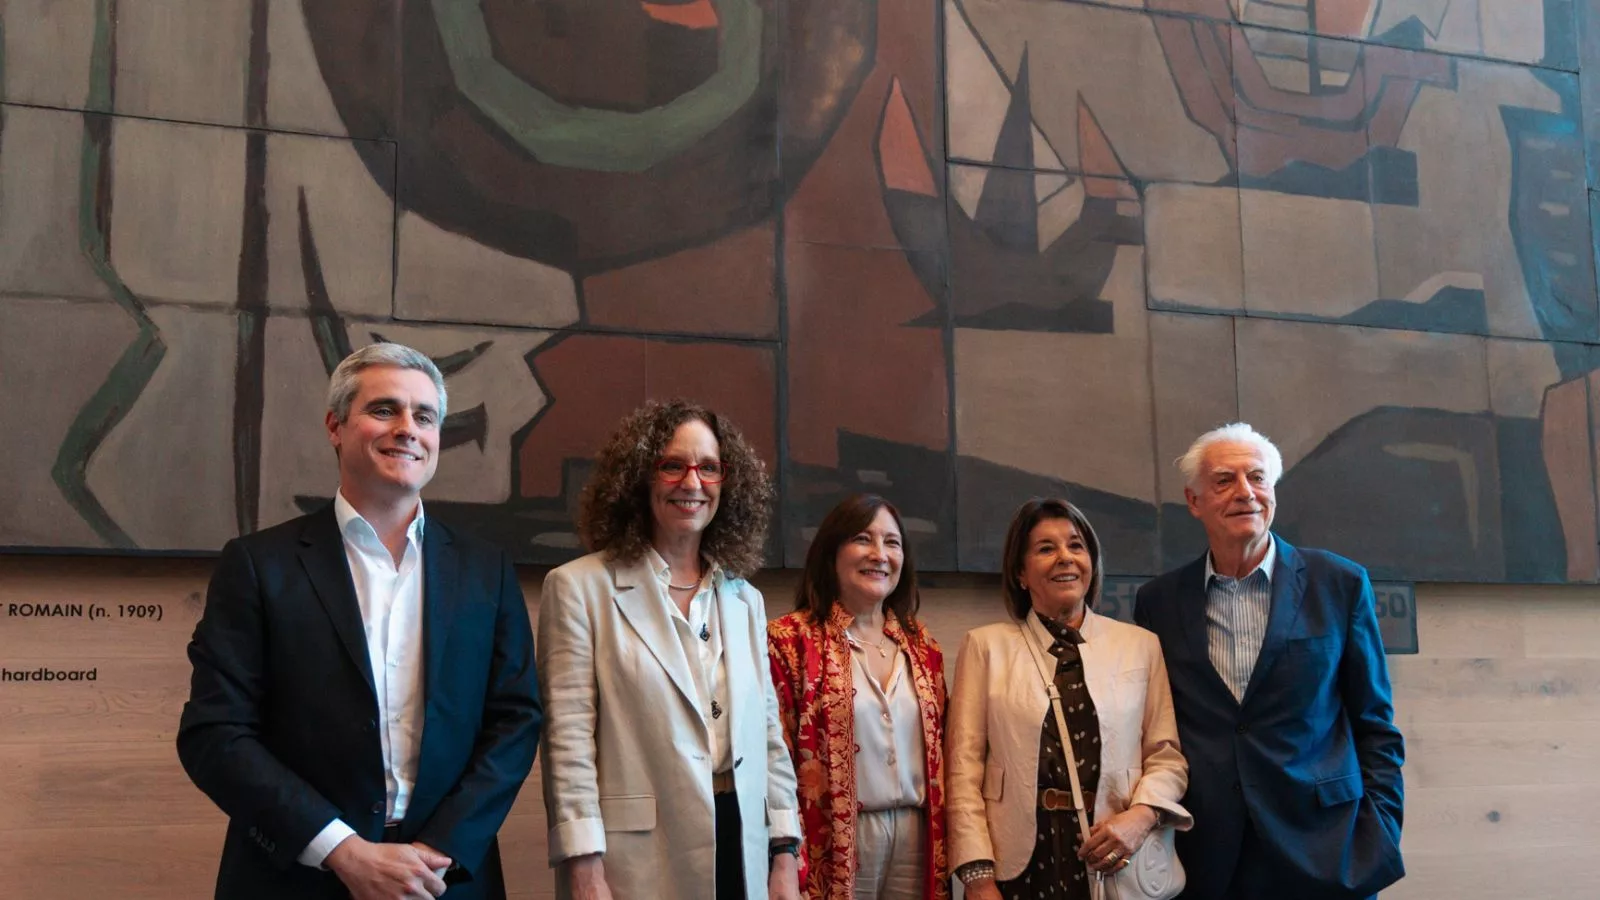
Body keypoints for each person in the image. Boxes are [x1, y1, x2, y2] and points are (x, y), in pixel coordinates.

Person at [177, 342, 543, 900]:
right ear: (336, 426)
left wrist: (438, 850)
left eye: (424, 416)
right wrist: (342, 850)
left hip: (445, 879)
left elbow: (515, 720)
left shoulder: (485, 569)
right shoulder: (257, 565)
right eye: (384, 409)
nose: (407, 429)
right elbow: (215, 733)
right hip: (297, 880)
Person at [537, 399, 801, 900]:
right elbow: (567, 746)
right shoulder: (579, 588)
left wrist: (785, 853)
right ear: (639, 477)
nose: (692, 482)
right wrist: (583, 868)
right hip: (635, 859)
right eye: (672, 465)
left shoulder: (744, 599)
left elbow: (769, 736)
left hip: (743, 841)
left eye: (709, 467)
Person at [1134, 423, 1405, 899]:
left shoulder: (1338, 584)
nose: (1246, 492)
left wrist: (1380, 829)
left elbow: (1375, 723)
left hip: (1327, 848)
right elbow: (1156, 730)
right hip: (1209, 855)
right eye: (1225, 480)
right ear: (1194, 501)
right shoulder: (1159, 602)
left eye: (1257, 478)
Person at [947, 498, 1190, 900]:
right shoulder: (985, 647)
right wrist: (977, 876)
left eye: (1076, 546)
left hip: (1114, 856)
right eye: (1046, 548)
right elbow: (962, 770)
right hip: (1018, 864)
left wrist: (1141, 817)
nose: (1065, 557)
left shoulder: (1140, 646)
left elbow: (1167, 757)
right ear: (1021, 573)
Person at [769, 494, 949, 900]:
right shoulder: (789, 641)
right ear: (831, 552)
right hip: (834, 836)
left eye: (892, 542)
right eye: (863, 539)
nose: (879, 554)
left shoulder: (923, 647)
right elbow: (773, 758)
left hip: (917, 833)